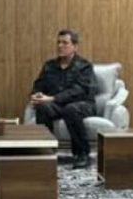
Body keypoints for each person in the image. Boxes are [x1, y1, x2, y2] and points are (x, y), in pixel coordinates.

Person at [30, 29, 98, 169]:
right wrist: (36, 95)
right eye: (59, 42)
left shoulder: (84, 66)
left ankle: (82, 154)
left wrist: (52, 98)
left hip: (82, 104)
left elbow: (79, 90)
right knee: (42, 107)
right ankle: (47, 152)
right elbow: (39, 85)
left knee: (71, 109)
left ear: (75, 47)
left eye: (65, 43)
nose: (60, 46)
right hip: (56, 104)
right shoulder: (49, 66)